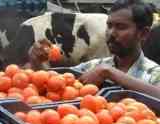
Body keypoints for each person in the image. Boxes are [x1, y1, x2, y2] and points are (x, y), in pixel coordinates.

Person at [29, 0, 160, 98]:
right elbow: (59, 88)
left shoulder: (154, 73)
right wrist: (38, 63)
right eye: (109, 26)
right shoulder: (94, 66)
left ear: (143, 33)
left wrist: (110, 73)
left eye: (121, 27)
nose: (111, 33)